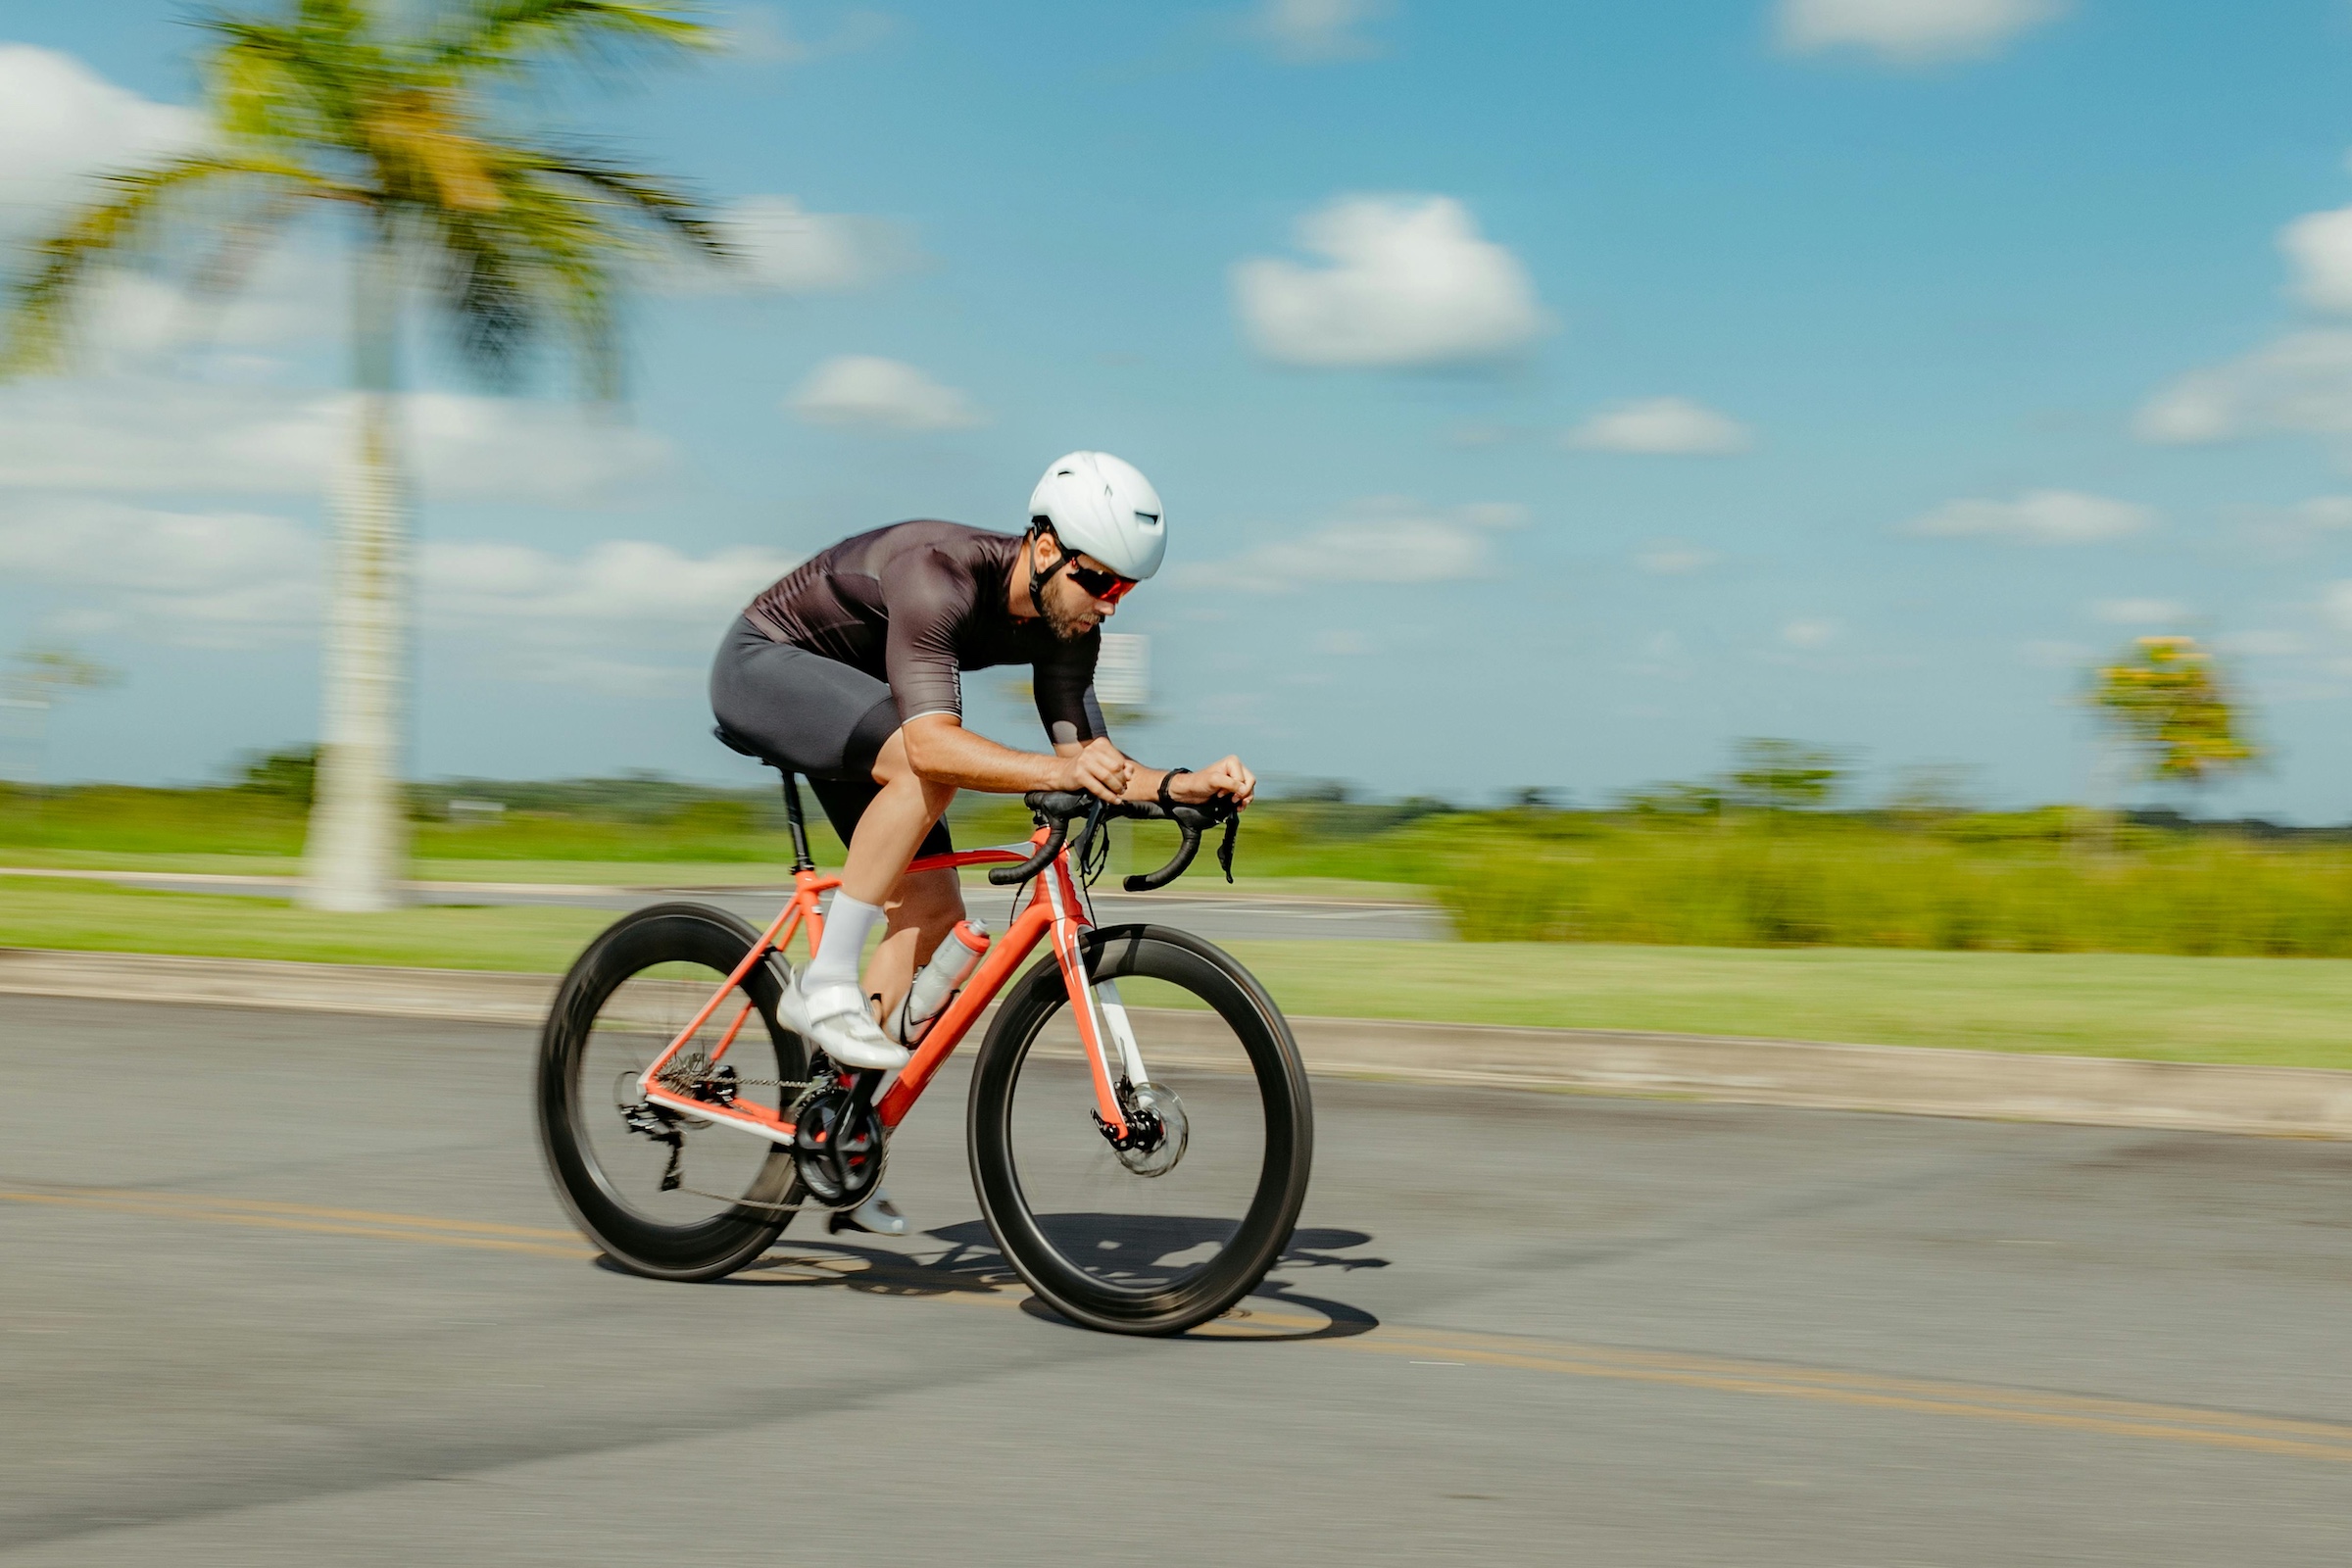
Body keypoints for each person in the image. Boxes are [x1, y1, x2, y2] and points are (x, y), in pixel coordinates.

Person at [710, 452, 1255, 1233]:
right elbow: (934, 746)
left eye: (1126, 590)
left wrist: (1180, 785)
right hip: (770, 665)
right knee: (929, 768)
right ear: (1043, 549)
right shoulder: (939, 575)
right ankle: (822, 982)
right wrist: (1046, 770)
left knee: (933, 909)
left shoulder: (1068, 627)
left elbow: (1091, 762)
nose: (1109, 605)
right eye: (1099, 581)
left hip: (865, 705)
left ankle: (838, 1140)